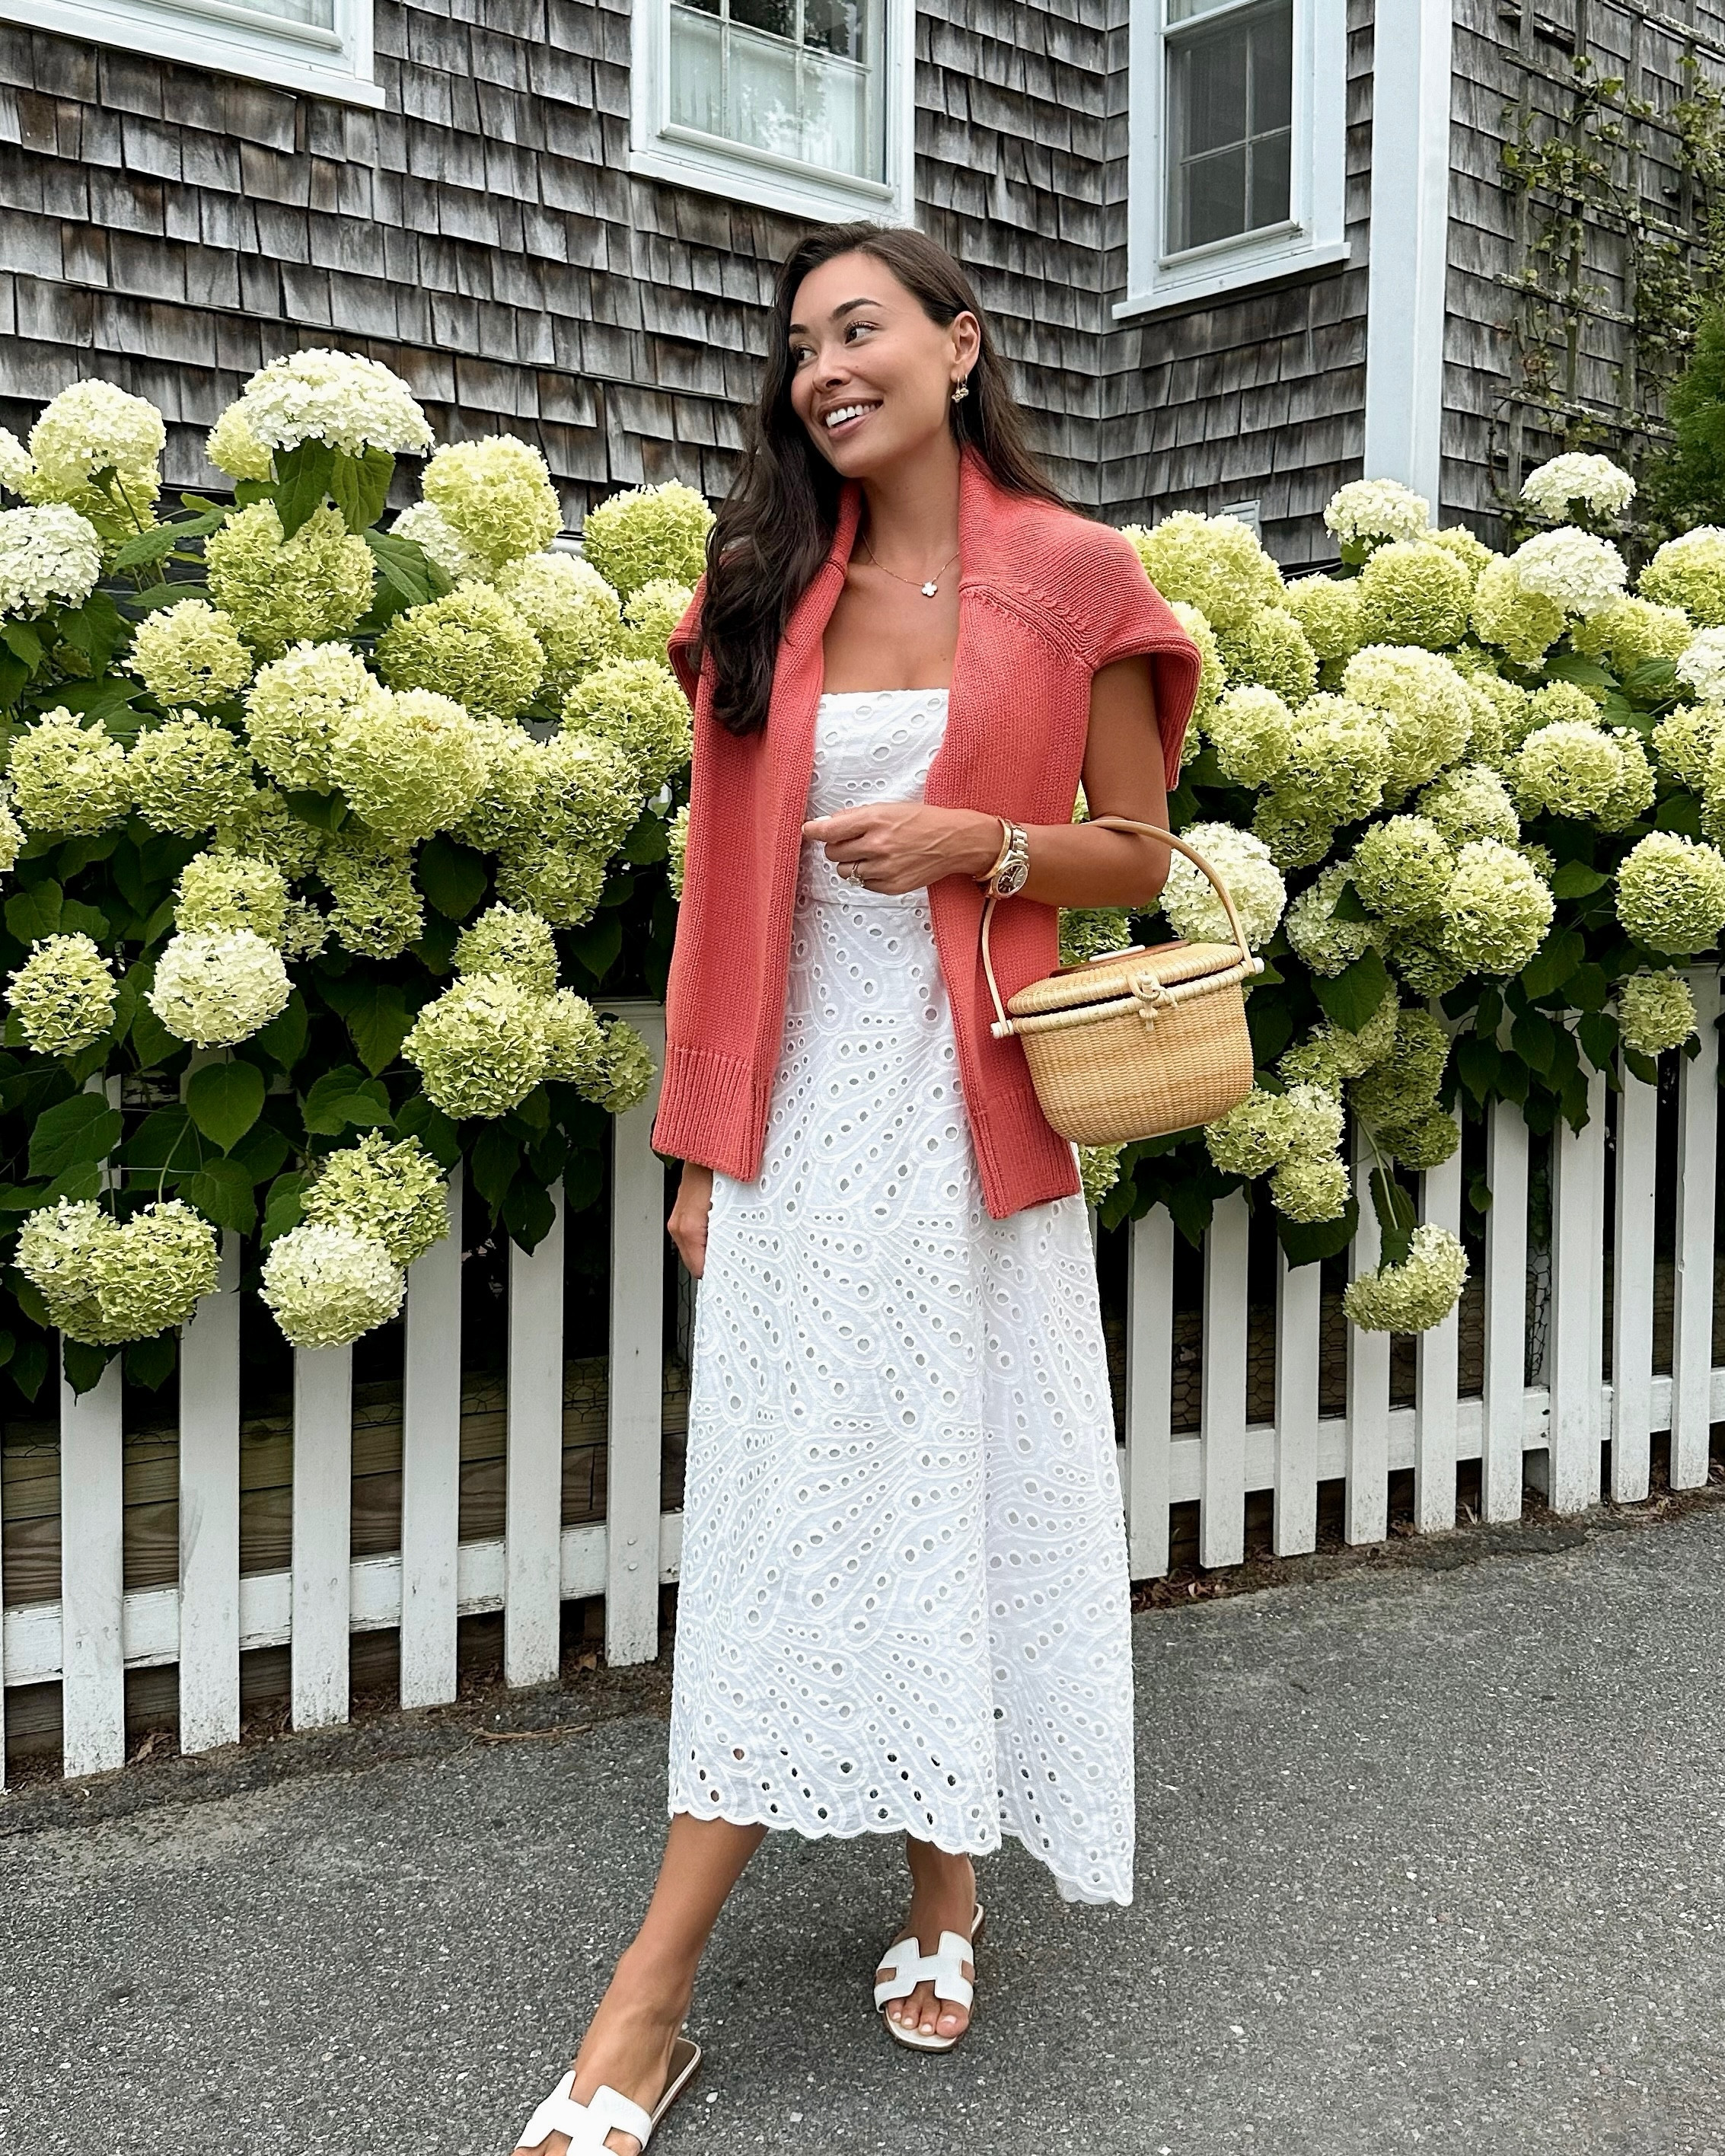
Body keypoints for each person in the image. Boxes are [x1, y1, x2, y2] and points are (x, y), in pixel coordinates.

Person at [510, 222, 1199, 2156]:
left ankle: (934, 1893)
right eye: (799, 342)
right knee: (787, 1516)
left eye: (862, 327)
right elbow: (721, 893)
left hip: (976, 1121)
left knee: (953, 1482)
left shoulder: (1074, 581)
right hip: (799, 1122)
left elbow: (1138, 857)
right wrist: (700, 1142)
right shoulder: (762, 588)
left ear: (958, 347)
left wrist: (986, 840)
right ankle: (652, 2002)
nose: (823, 366)